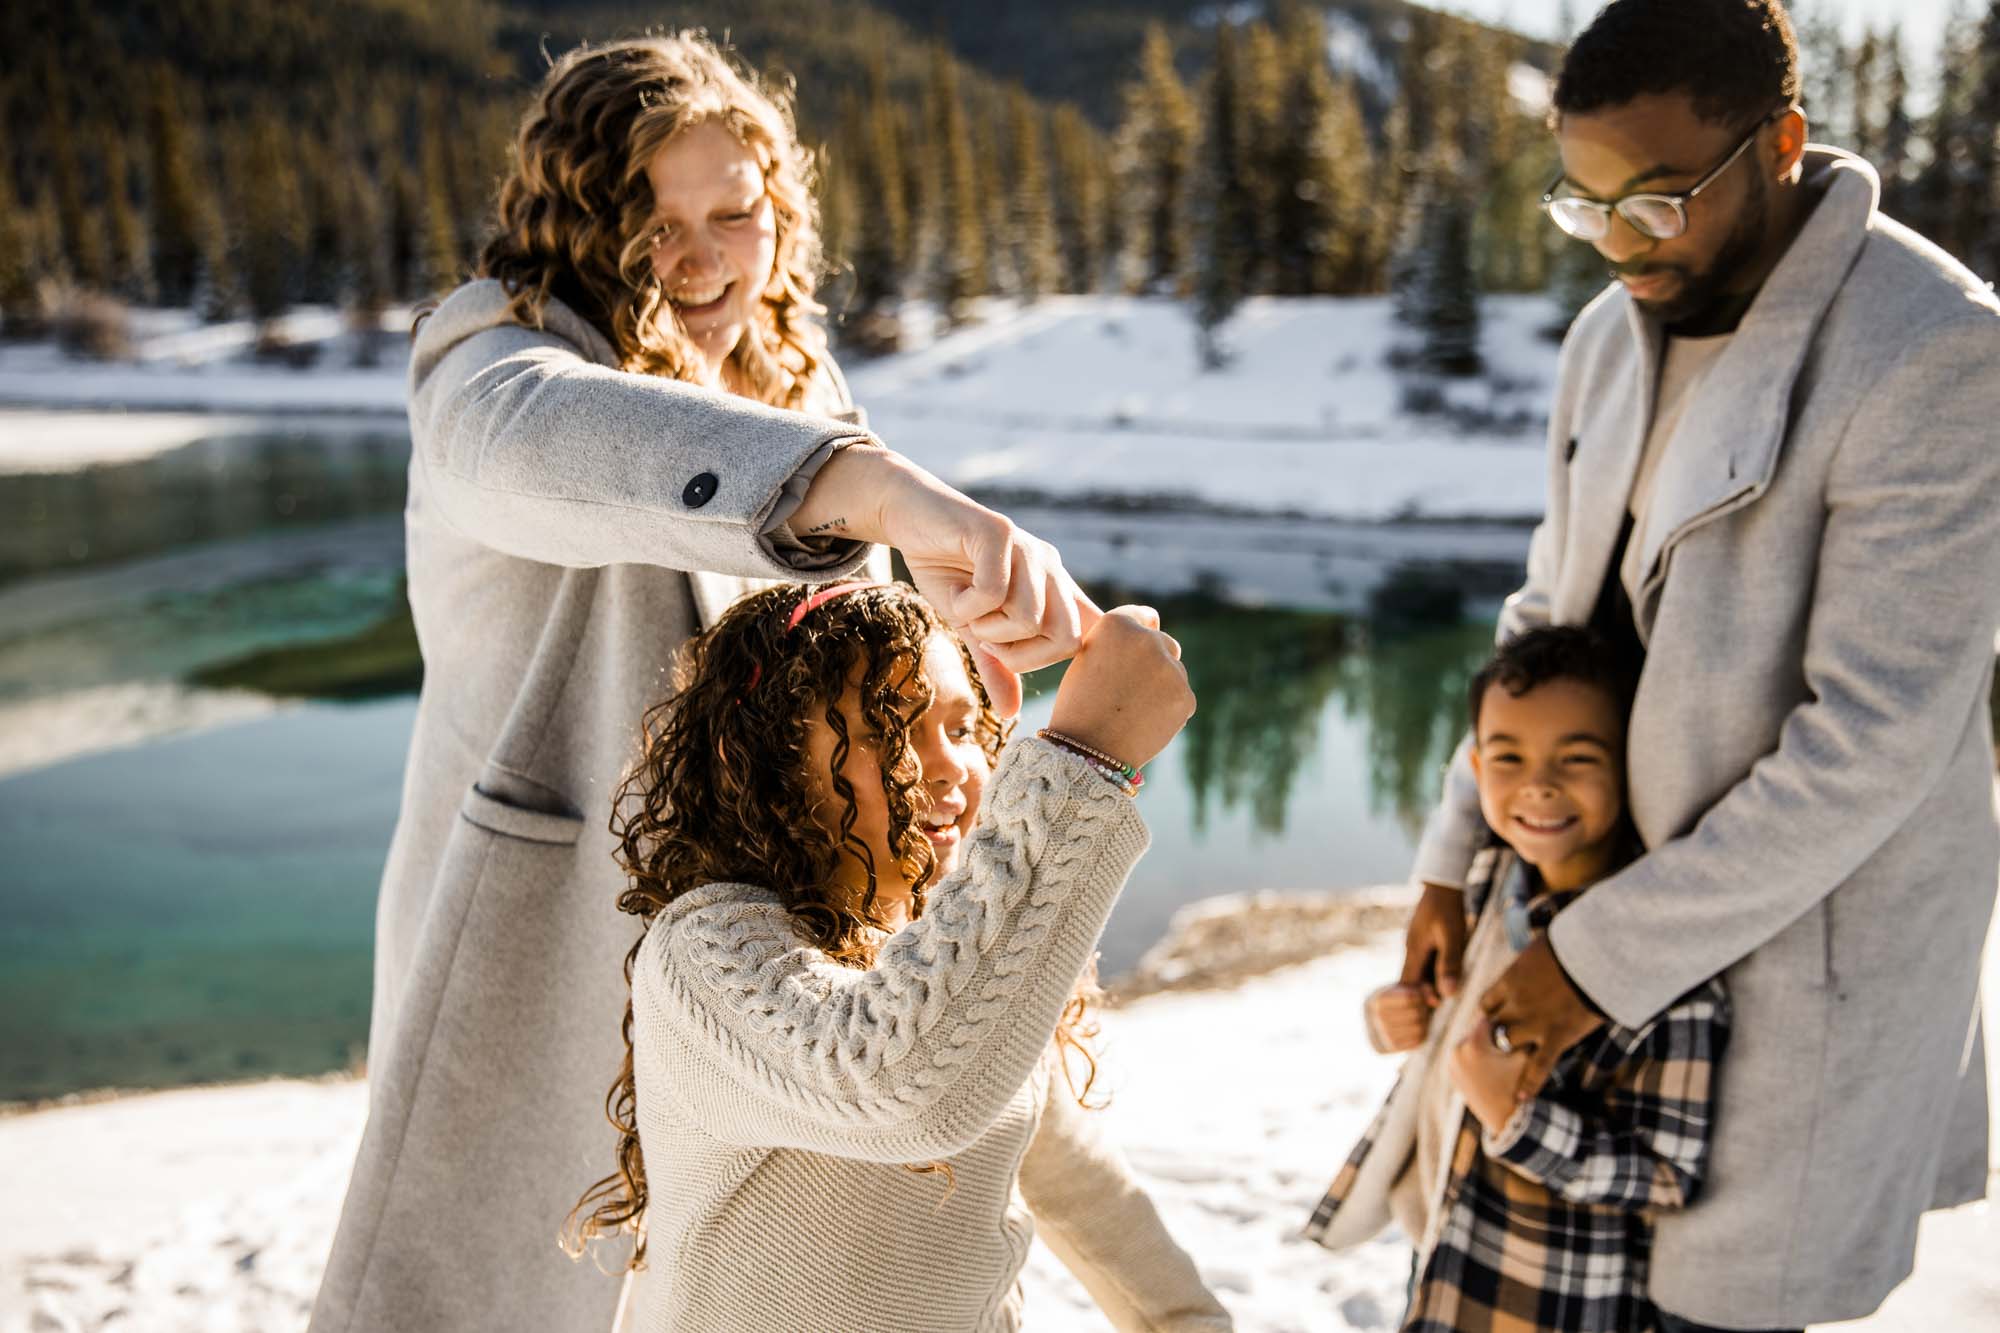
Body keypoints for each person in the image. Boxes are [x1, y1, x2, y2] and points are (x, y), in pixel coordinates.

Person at [310, 35, 1097, 1333]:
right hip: (554, 946)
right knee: (522, 1291)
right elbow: (540, 443)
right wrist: (871, 487)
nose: (703, 258)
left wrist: (947, 680)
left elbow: (844, 669)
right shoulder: (491, 353)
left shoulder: (798, 383)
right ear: (580, 224)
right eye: (655, 223)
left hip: (754, 966)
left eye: (735, 213)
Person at [1393, 3, 2000, 1330]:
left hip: (1786, 973)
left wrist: (1589, 966)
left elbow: (1873, 742)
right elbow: (1543, 619)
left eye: (1659, 199)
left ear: (1779, 143)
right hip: (1577, 922)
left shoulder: (1935, 349)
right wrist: (1451, 852)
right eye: (1585, 205)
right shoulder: (1606, 338)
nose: (1620, 244)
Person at [563, 580, 1230, 1332]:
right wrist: (1083, 762)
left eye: (963, 726)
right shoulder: (703, 954)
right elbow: (894, 1082)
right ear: (770, 762)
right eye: (890, 728)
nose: (950, 766)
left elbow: (1093, 1201)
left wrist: (1194, 1320)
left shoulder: (964, 960)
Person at [1305, 627, 1728, 1332]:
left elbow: (1666, 1176)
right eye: (1508, 757)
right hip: (1440, 1248)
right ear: (1475, 766)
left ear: (1633, 760)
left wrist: (1517, 1121)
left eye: (1578, 757)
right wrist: (1389, 1017)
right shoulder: (1487, 881)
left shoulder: (1660, 954)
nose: (1539, 784)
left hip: (1545, 1296)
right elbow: (1443, 1026)